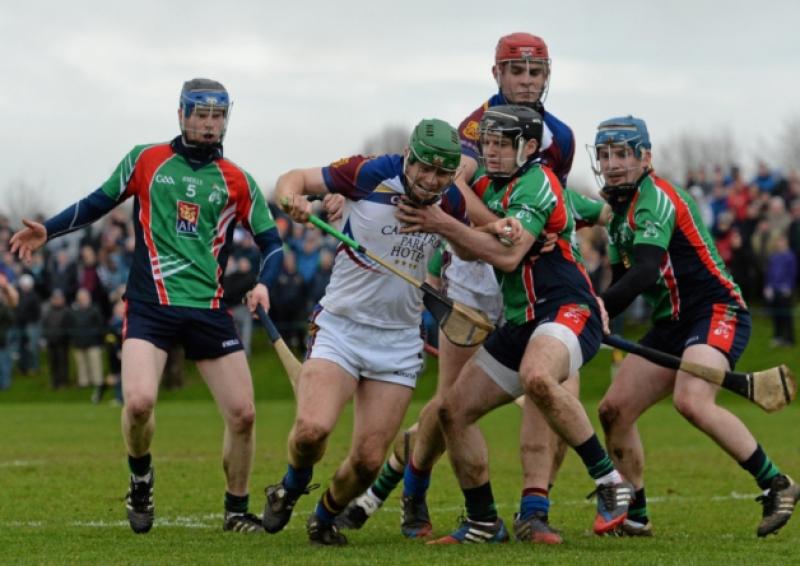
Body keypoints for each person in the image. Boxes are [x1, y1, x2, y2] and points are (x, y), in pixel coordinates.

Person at [339, 33, 606, 544]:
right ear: (497, 75)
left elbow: (554, 206)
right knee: (450, 405)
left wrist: (564, 257)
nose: (526, 82)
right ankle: (414, 495)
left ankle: (534, 509)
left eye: (535, 72)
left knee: (547, 393)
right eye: (516, 71)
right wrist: (497, 230)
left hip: (532, 283)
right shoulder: (473, 127)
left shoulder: (563, 138)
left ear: (547, 75)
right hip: (473, 276)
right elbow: (449, 190)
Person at [10, 78, 283, 534]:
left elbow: (271, 243)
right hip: (150, 304)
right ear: (181, 114)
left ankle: (236, 510)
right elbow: (97, 202)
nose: (209, 125)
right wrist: (49, 230)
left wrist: (264, 284)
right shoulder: (146, 160)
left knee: (244, 413)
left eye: (218, 116)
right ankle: (141, 479)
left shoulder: (239, 181)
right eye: (201, 115)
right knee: (138, 403)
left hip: (208, 308)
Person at [394, 105, 631, 543]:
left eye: (502, 144)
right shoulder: (484, 186)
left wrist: (444, 222)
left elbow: (505, 255)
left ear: (527, 148)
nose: (493, 151)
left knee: (537, 376)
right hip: (521, 321)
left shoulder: (539, 183)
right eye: (487, 143)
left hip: (565, 308)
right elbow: (469, 250)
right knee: (452, 411)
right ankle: (483, 521)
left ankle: (609, 482)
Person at [261, 119, 481, 546]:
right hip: (341, 327)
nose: (430, 180)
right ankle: (289, 487)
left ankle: (324, 516)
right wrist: (292, 200)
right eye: (423, 169)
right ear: (408, 158)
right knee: (311, 432)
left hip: (399, 341)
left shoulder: (450, 203)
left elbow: (472, 249)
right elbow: (294, 179)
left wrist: (447, 226)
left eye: (441, 173)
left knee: (367, 461)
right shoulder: (369, 172)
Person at [592, 115, 799, 537]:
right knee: (614, 410)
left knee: (691, 400)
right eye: (605, 155)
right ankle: (636, 513)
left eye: (622, 154)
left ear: (644, 157)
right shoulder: (615, 215)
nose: (612, 164)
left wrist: (596, 307)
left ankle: (777, 483)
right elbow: (621, 282)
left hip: (715, 310)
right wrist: (600, 312)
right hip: (671, 322)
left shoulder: (657, 198)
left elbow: (646, 270)